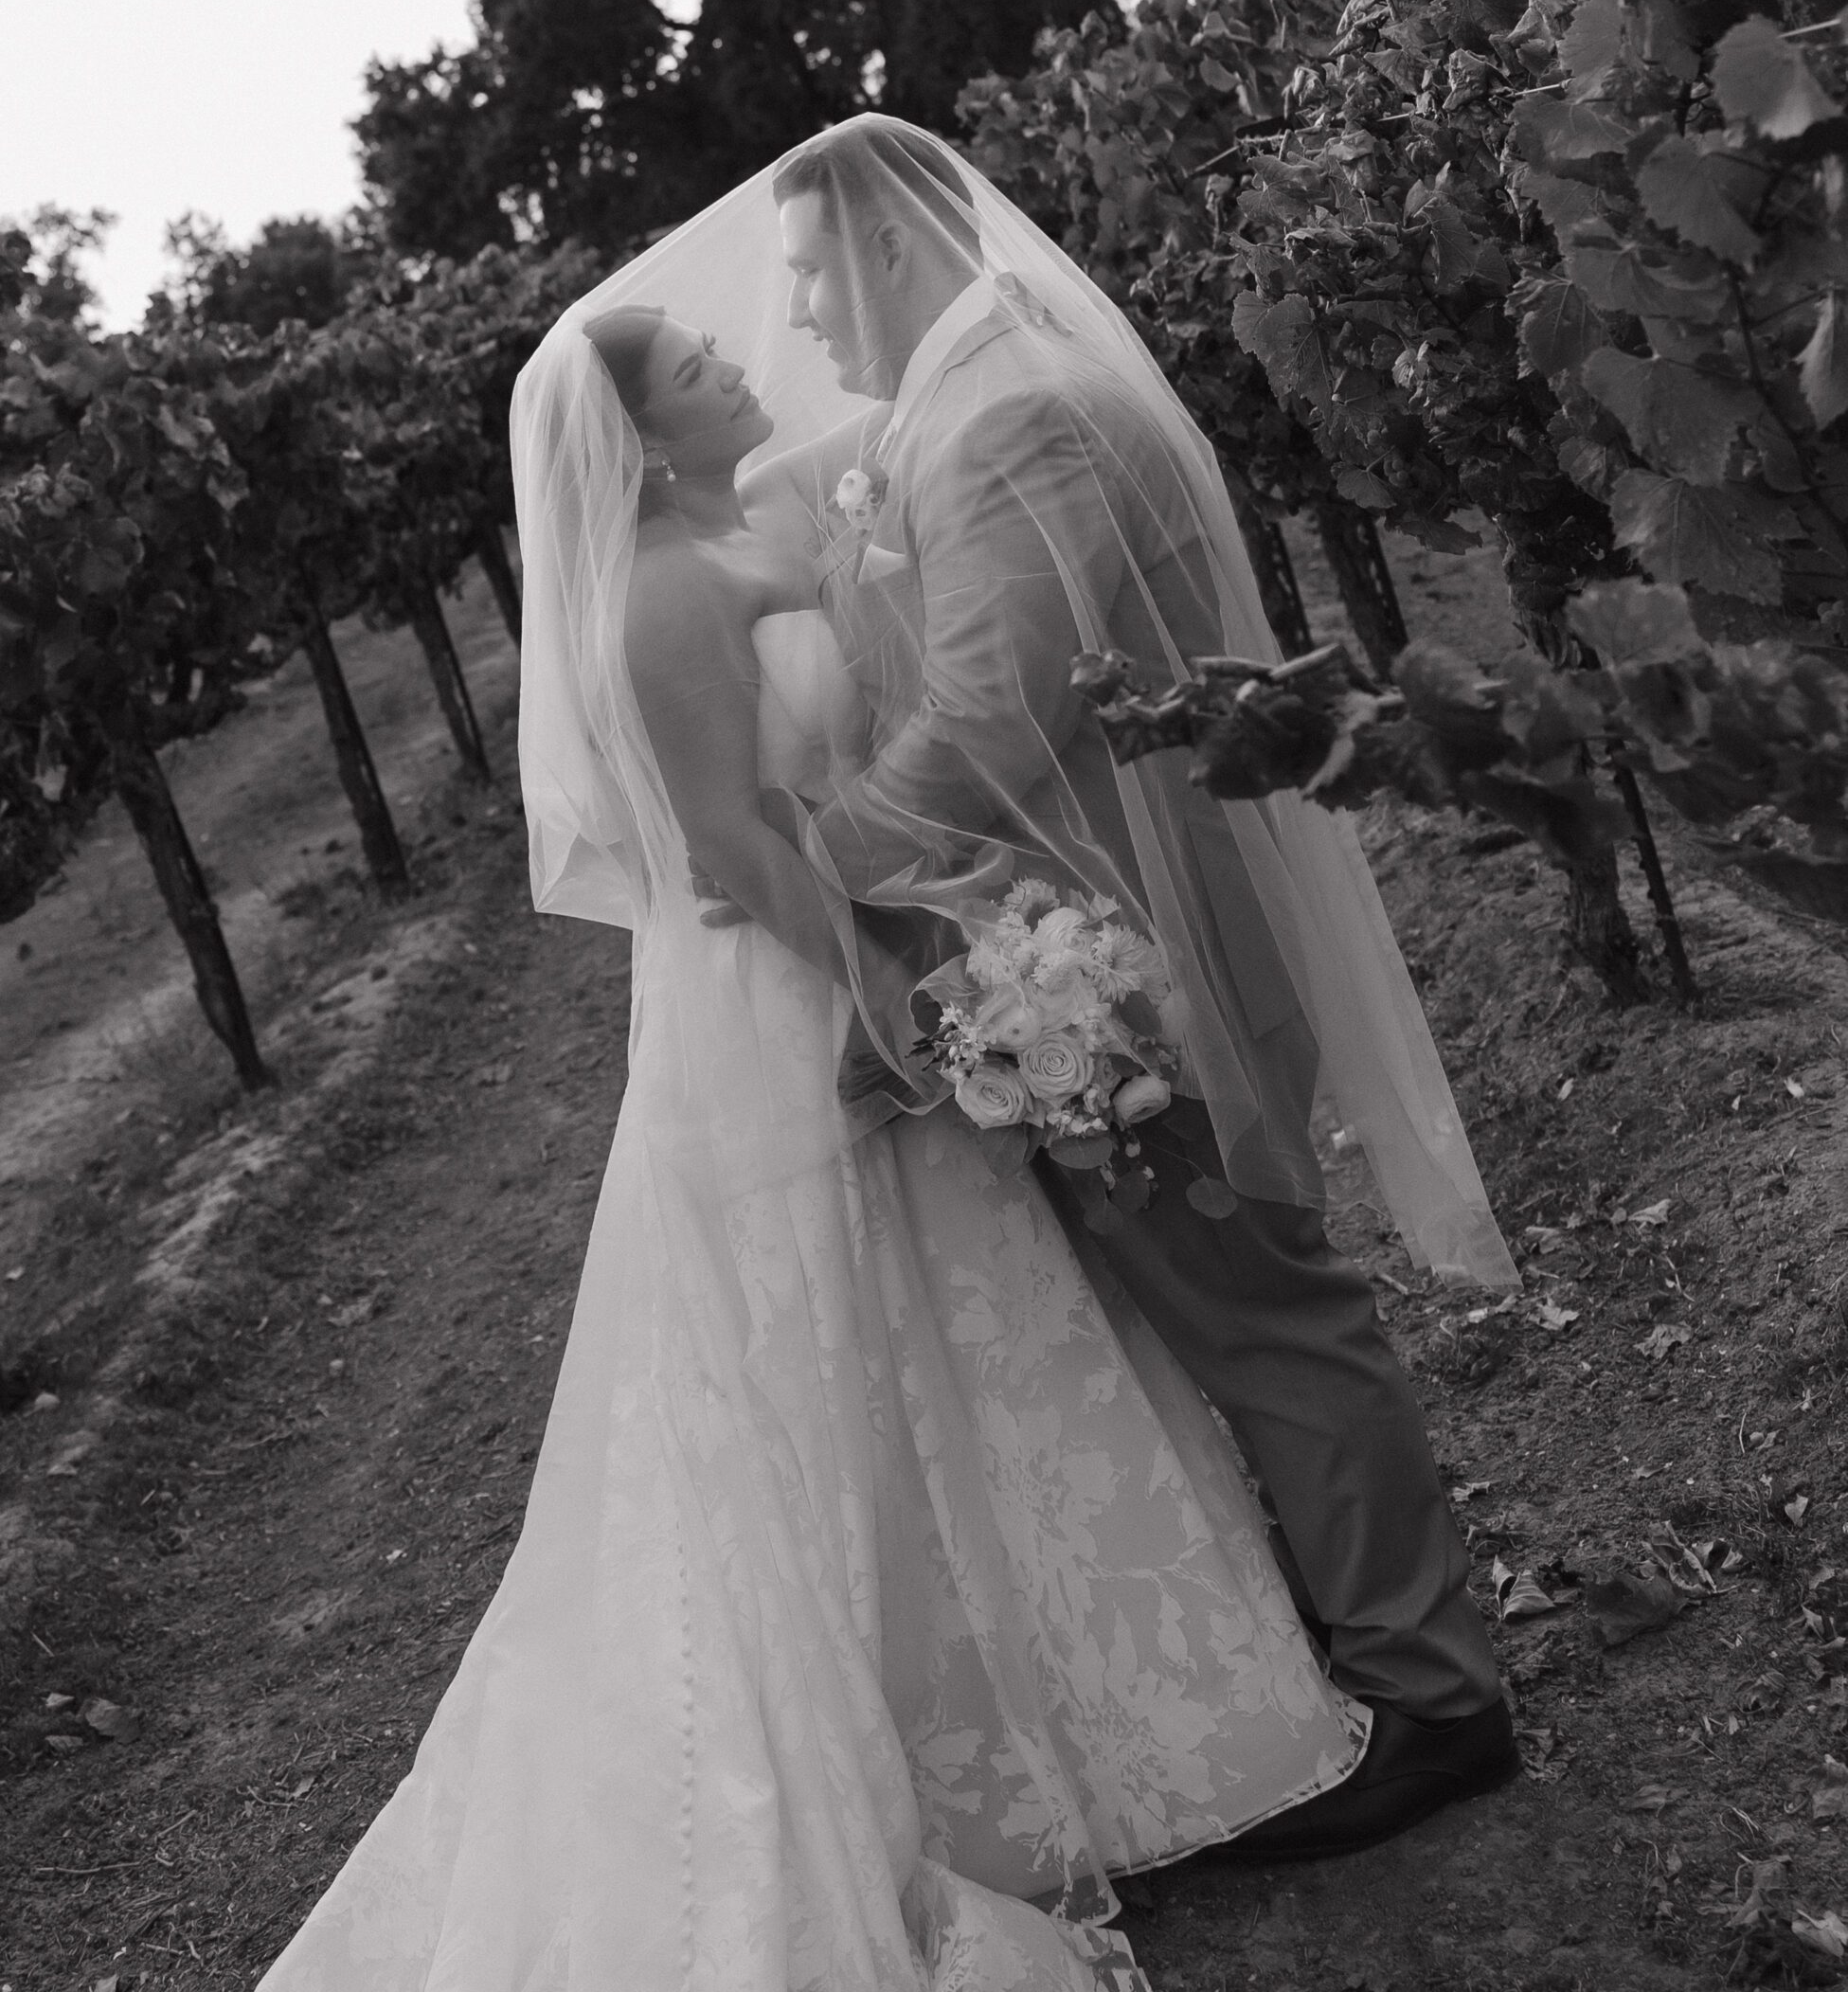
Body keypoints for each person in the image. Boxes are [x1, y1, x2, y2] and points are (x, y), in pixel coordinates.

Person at [252, 270, 1381, 1992]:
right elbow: (731, 847)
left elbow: (901, 456)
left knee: (968, 1334)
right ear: (637, 451)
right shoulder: (656, 600)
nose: (735, 361)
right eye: (700, 369)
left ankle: (1091, 1721)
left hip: (875, 946)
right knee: (843, 1356)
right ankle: (934, 1770)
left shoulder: (757, 519)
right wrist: (891, 994)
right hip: (787, 1002)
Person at [734, 117, 1521, 1861]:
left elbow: (995, 719)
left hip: (1121, 939)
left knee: (1262, 1298)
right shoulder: (970, 388)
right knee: (1232, 1292)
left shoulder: (1005, 409)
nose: (799, 318)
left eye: (805, 271)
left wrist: (813, 856)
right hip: (1108, 910)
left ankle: (1436, 1692)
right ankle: (1374, 1632)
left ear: (875, 244)